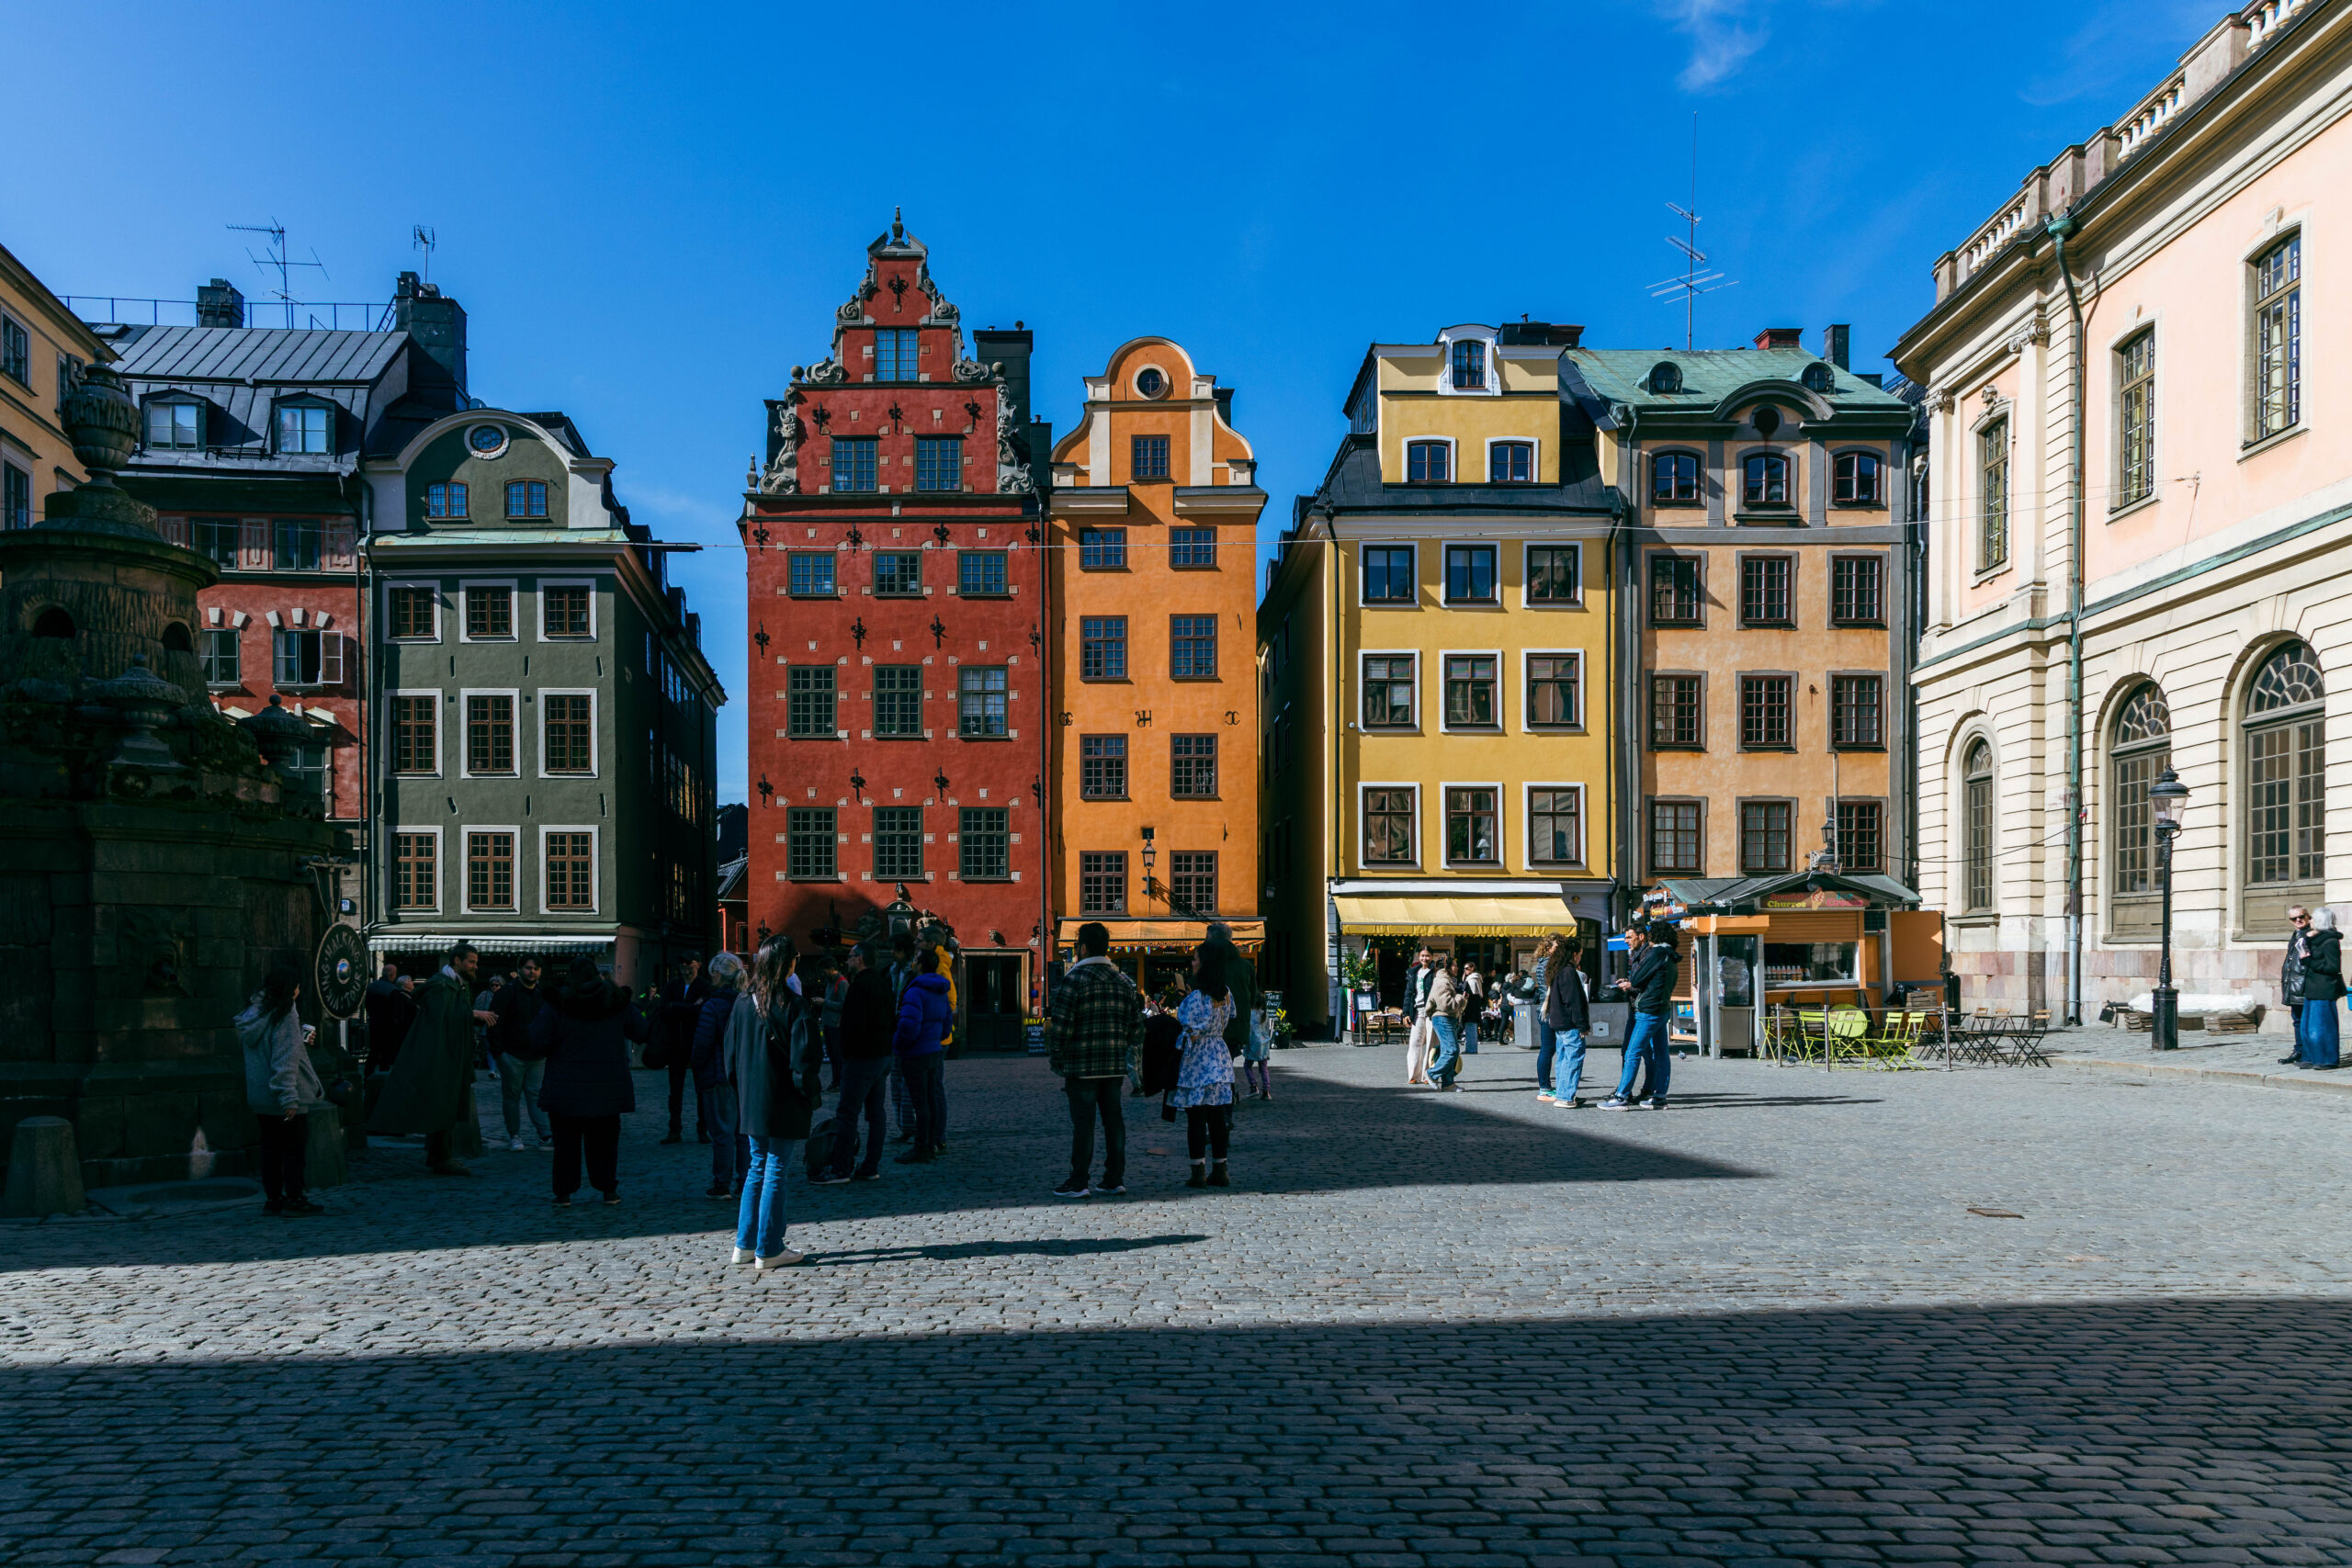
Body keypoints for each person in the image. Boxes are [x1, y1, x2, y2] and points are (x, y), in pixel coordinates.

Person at [728, 945, 823, 1268]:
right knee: (775, 1168)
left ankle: (744, 1244)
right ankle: (768, 1247)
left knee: (757, 1166)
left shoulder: (742, 1003)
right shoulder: (793, 1004)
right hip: (783, 1097)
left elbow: (729, 1054)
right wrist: (808, 1092)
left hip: (752, 1098)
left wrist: (742, 1090)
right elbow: (805, 1058)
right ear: (787, 964)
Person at [368, 940, 496, 1173]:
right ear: (457, 961)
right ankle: (441, 1157)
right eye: (471, 962)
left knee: (445, 1104)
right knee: (440, 1103)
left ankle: (438, 1155)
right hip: (438, 1055)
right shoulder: (440, 986)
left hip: (451, 1054)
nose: (475, 967)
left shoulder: (458, 985)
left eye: (476, 963)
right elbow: (440, 1018)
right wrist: (472, 1013)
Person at [531, 956, 648, 1207]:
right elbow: (641, 1031)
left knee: (565, 1144)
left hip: (565, 1086)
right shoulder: (616, 1000)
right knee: (605, 1143)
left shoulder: (557, 1003)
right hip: (608, 1085)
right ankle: (608, 1190)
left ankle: (564, 1192)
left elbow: (539, 1041)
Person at [1048, 921, 1143, 1199]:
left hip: (1081, 1067)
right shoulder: (1124, 982)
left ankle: (1079, 1181)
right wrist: (1119, 1044)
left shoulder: (1074, 981)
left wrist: (1057, 1060)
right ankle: (1114, 1178)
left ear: (1083, 948)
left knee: (1084, 1125)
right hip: (1113, 1067)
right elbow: (1137, 1029)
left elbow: (1060, 1027)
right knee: (1114, 1122)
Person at [238, 964, 325, 1217]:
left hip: (261, 1096)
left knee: (270, 1149)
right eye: (297, 986)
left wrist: (298, 1040)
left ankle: (273, 1199)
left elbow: (270, 1051)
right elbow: (284, 1058)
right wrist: (289, 1097)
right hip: (284, 1095)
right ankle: (295, 1198)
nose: (299, 990)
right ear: (290, 989)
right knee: (293, 1150)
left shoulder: (254, 1012)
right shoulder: (286, 1014)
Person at [813, 942, 896, 1184]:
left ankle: (841, 1168)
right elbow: (893, 1019)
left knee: (847, 1113)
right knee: (876, 1114)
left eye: (850, 957)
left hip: (862, 1059)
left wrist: (846, 1055)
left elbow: (850, 1026)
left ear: (859, 959)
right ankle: (871, 1166)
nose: (846, 961)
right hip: (882, 1056)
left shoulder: (859, 987)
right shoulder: (883, 983)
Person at [1168, 944, 1238, 1188]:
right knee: (1217, 1116)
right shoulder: (1226, 993)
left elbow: (1191, 1031)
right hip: (1219, 1056)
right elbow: (1226, 1020)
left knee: (1196, 1118)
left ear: (1205, 963)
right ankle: (1221, 1169)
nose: (1192, 963)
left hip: (1198, 1060)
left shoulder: (1197, 998)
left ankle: (1198, 1172)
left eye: (1196, 959)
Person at [1602, 921, 1679, 1111]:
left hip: (1649, 1010)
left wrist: (1631, 982)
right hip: (1662, 1009)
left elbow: (1637, 980)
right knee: (1661, 1054)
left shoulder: (1656, 953)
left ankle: (1621, 1097)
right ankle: (1659, 1096)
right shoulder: (1670, 955)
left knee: (1632, 1052)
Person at [691, 952, 749, 1198]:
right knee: (743, 1133)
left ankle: (721, 1183)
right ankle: (746, 1181)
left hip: (718, 1076)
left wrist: (696, 1066)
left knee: (722, 1134)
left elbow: (702, 1045)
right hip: (744, 1077)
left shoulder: (712, 1005)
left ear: (717, 973)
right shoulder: (746, 1002)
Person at [891, 945, 953, 1163]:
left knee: (920, 1103)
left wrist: (898, 1045)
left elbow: (909, 1026)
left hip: (915, 1053)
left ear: (920, 965)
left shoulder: (915, 991)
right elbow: (947, 1023)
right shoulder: (940, 991)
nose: (912, 963)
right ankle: (932, 1143)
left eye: (915, 960)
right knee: (931, 1100)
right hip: (934, 1050)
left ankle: (921, 1148)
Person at [491, 957, 550, 1151]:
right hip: (512, 1054)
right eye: (528, 968)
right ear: (519, 969)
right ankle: (514, 1135)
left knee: (535, 1095)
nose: (532, 972)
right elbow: (495, 1023)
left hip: (536, 1055)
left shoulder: (542, 994)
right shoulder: (507, 993)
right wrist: (499, 1053)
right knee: (512, 1096)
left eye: (536, 968)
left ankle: (545, 1135)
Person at [658, 958, 708, 1145]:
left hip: (697, 1042)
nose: (686, 971)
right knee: (675, 1090)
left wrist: (677, 1007)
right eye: (684, 967)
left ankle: (702, 1129)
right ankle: (674, 1129)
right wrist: (690, 1008)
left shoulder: (704, 986)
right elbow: (664, 1010)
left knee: (701, 1089)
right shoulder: (673, 985)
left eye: (690, 967)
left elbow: (702, 1010)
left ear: (698, 966)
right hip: (676, 1043)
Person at [1543, 935, 1592, 1108]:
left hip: (1559, 1022)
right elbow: (1573, 1001)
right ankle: (1566, 1096)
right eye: (1580, 954)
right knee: (1573, 1059)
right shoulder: (1569, 972)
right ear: (1574, 954)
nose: (1580, 957)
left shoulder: (1557, 970)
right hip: (1569, 1023)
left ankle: (1563, 1093)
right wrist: (1582, 1024)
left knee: (1563, 1060)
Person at [2296, 907, 2343, 1070]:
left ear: (2321, 921)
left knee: (2322, 1027)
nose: (2310, 921)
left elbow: (2332, 966)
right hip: (2312, 987)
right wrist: (2306, 941)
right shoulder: (2317, 937)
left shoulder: (2330, 941)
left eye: (2313, 919)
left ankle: (2327, 1059)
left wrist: (2309, 961)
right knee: (2307, 1027)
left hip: (2324, 988)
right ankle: (2311, 1057)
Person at [887, 931, 919, 1143]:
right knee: (896, 1083)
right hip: (894, 1032)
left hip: (909, 1033)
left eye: (896, 950)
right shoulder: (891, 971)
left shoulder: (914, 973)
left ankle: (911, 1127)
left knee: (908, 1084)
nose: (892, 953)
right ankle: (904, 1127)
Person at [362, 959, 416, 1076]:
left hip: (374, 1024)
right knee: (386, 1055)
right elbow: (397, 1014)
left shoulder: (372, 987)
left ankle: (367, 1077)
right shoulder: (393, 991)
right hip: (388, 1028)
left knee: (373, 1053)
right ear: (392, 975)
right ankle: (382, 1078)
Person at [1426, 956, 1466, 1091]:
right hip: (1443, 1018)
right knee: (1452, 1050)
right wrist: (1460, 997)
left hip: (1447, 1018)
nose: (1457, 968)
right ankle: (1432, 1073)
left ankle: (1448, 1083)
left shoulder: (1447, 981)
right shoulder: (1442, 982)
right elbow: (1446, 1005)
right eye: (1454, 965)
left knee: (1446, 1049)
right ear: (1447, 968)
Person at [1405, 948, 1437, 1086]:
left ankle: (1427, 1074)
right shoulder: (1413, 972)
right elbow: (1408, 994)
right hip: (1417, 1012)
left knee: (1431, 1044)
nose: (1425, 959)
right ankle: (1413, 1075)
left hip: (1431, 1011)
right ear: (1419, 957)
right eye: (1423, 956)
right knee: (1414, 1043)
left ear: (1432, 957)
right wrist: (1406, 1013)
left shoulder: (1435, 972)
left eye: (1428, 956)